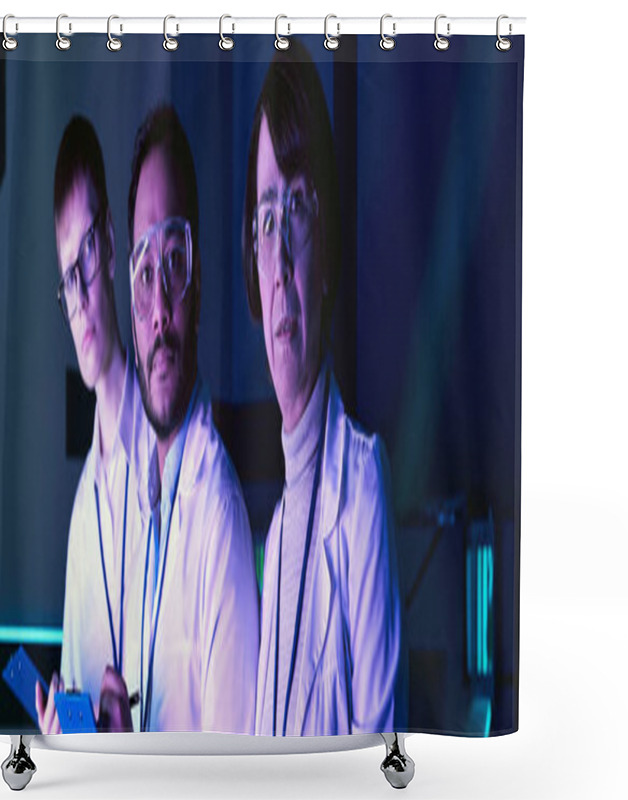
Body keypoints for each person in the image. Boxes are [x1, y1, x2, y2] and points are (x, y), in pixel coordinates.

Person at [242, 48, 401, 736]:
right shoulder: (277, 534)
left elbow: (385, 759)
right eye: (266, 218)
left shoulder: (360, 482)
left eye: (297, 208)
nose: (277, 265)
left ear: (328, 248)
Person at [118, 104, 259, 733]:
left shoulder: (217, 513)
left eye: (175, 261)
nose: (158, 311)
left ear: (198, 285)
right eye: (145, 271)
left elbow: (233, 777)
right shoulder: (142, 492)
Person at [37, 115, 153, 734]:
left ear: (110, 242)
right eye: (65, 276)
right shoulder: (85, 510)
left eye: (84, 254)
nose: (78, 296)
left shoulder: (176, 461)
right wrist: (63, 734)